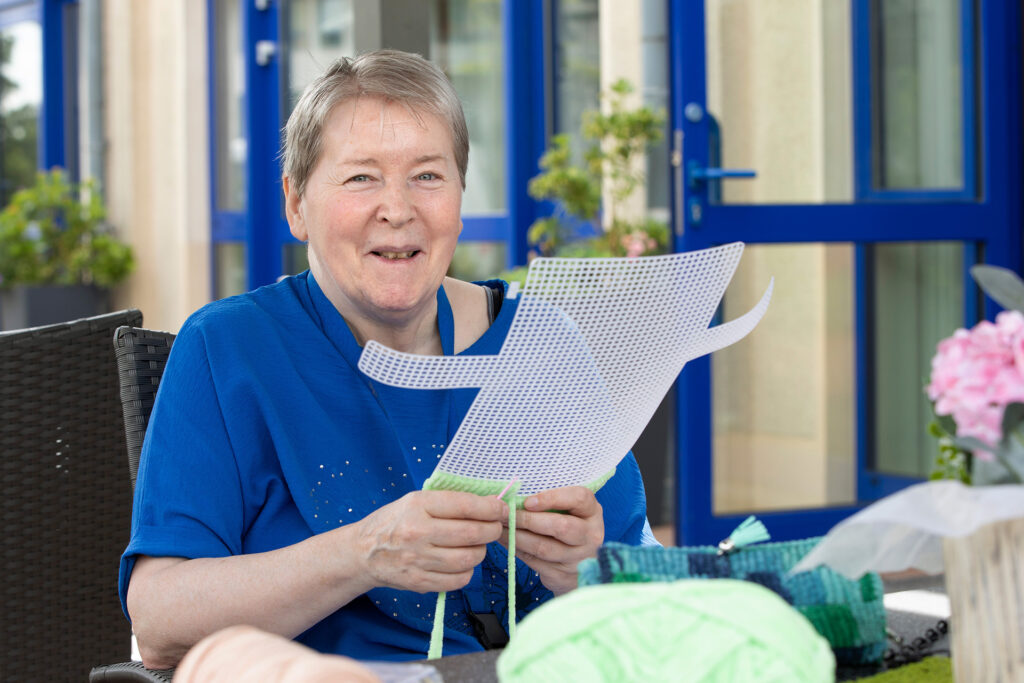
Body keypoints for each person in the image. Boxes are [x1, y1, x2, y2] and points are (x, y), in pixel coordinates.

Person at [120, 49, 655, 669]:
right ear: (296, 204)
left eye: (428, 176)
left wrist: (585, 572)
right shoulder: (230, 348)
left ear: (459, 196)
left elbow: (645, 596)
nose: (397, 209)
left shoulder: (540, 344)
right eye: (360, 177)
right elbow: (158, 620)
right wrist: (362, 553)